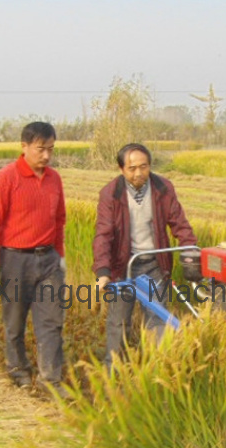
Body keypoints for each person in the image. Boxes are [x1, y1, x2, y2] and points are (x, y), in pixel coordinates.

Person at [0, 121, 68, 397]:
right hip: (15, 260)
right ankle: (18, 370)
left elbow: (59, 220)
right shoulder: (6, 179)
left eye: (51, 149)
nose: (46, 156)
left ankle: (50, 380)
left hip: (48, 260)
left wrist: (60, 256)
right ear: (25, 146)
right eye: (41, 149)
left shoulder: (54, 179)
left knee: (51, 321)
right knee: (15, 322)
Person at [93, 143, 197, 372]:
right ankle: (113, 373)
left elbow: (179, 224)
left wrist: (190, 251)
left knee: (157, 318)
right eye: (132, 168)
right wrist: (103, 272)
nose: (138, 173)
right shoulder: (111, 193)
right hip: (123, 266)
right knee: (118, 321)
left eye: (144, 167)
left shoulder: (162, 188)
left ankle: (158, 371)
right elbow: (103, 235)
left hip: (154, 264)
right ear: (121, 169)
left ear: (150, 166)